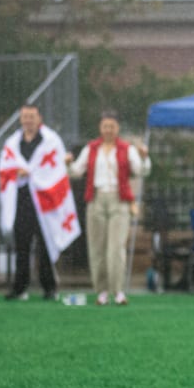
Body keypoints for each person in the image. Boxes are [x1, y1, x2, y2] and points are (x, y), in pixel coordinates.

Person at [67, 112, 151, 306]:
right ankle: (101, 291)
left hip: (119, 199)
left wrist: (144, 157)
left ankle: (118, 291)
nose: (108, 130)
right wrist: (68, 164)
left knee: (116, 248)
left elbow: (141, 171)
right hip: (96, 199)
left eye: (112, 126)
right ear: (100, 128)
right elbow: (76, 172)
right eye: (105, 126)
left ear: (117, 128)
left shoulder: (126, 149)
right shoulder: (91, 148)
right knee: (97, 247)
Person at [0, 104, 80, 302]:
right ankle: (20, 287)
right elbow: (4, 168)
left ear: (39, 118)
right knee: (22, 246)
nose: (28, 120)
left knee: (45, 245)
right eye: (25, 116)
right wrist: (17, 173)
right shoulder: (12, 143)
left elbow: (56, 169)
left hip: (44, 201)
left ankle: (49, 287)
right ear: (20, 119)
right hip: (22, 199)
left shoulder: (50, 141)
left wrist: (59, 163)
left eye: (31, 116)